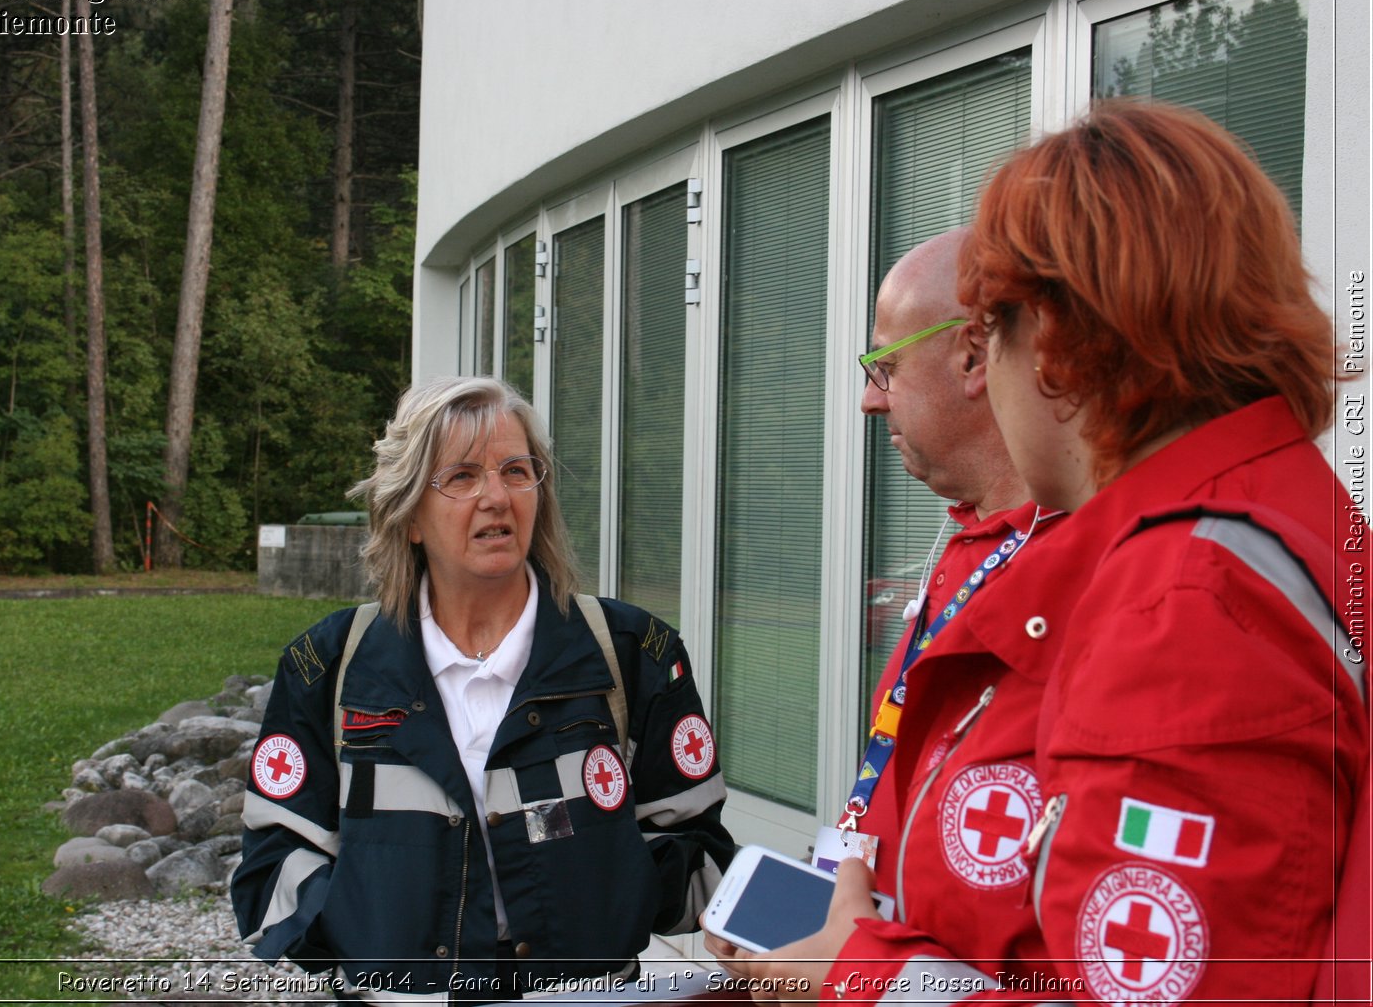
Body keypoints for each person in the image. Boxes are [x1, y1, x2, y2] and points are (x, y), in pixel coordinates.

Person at [796, 99, 1365, 1003]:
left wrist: (862, 978)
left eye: (992, 335)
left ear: (1052, 336)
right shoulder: (1288, 512)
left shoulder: (1185, 599)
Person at [231, 375, 734, 1001]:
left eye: (516, 471)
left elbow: (701, 851)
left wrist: (612, 888)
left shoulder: (633, 653)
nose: (496, 497)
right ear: (410, 515)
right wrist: (361, 938)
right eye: (463, 477)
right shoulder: (330, 664)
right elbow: (272, 859)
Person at [706, 228, 1075, 995]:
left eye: (885, 367)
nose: (871, 400)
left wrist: (858, 972)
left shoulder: (1100, 572)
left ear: (975, 356)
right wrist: (832, 938)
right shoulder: (968, 546)